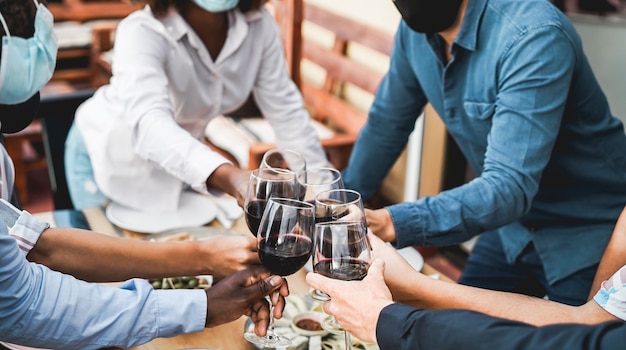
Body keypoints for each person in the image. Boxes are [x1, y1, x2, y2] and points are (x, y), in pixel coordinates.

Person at [0, 1, 288, 348]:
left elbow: (37, 245)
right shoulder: (142, 29)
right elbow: (23, 300)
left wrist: (204, 256)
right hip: (109, 161)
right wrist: (204, 306)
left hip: (174, 170)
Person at [343, 0, 626, 305]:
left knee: (575, 339)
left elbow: (508, 187)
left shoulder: (534, 35)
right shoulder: (416, 34)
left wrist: (391, 222)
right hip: (512, 231)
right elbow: (386, 125)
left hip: (586, 233)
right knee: (454, 329)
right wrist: (341, 205)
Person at [64, 0, 330, 211]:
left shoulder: (260, 28)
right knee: (117, 266)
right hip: (106, 155)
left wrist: (324, 194)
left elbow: (287, 113)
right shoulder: (142, 30)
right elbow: (149, 124)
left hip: (180, 163)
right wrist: (230, 176)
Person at [305, 208, 626, 348]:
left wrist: (390, 320)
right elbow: (590, 322)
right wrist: (416, 289)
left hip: (577, 240)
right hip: (514, 232)